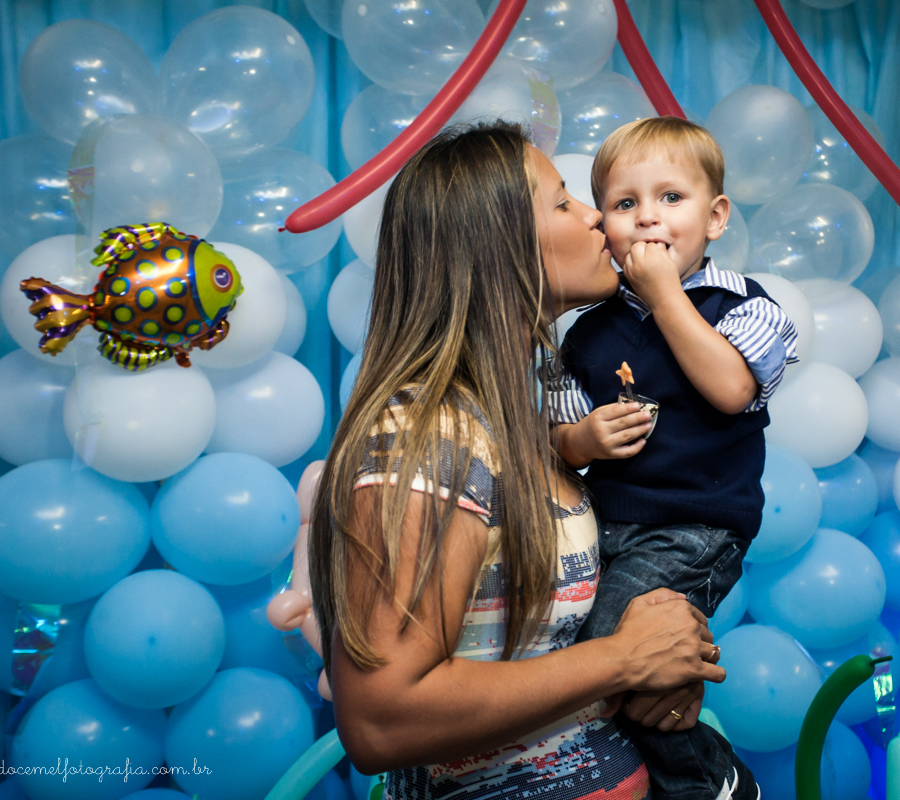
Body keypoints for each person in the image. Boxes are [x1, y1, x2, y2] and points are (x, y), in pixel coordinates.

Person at [307, 121, 725, 800]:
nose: (596, 217)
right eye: (562, 202)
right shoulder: (428, 434)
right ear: (496, 247)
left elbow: (539, 656)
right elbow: (382, 720)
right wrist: (622, 659)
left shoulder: (521, 426)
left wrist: (659, 671)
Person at [547, 116, 800, 800]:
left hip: (695, 525)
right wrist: (584, 440)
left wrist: (664, 295)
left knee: (612, 645)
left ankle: (707, 781)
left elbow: (732, 389)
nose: (647, 217)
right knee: (574, 651)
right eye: (624, 204)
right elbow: (558, 437)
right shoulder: (588, 331)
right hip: (605, 524)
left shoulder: (744, 306)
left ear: (715, 217)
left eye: (670, 198)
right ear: (603, 224)